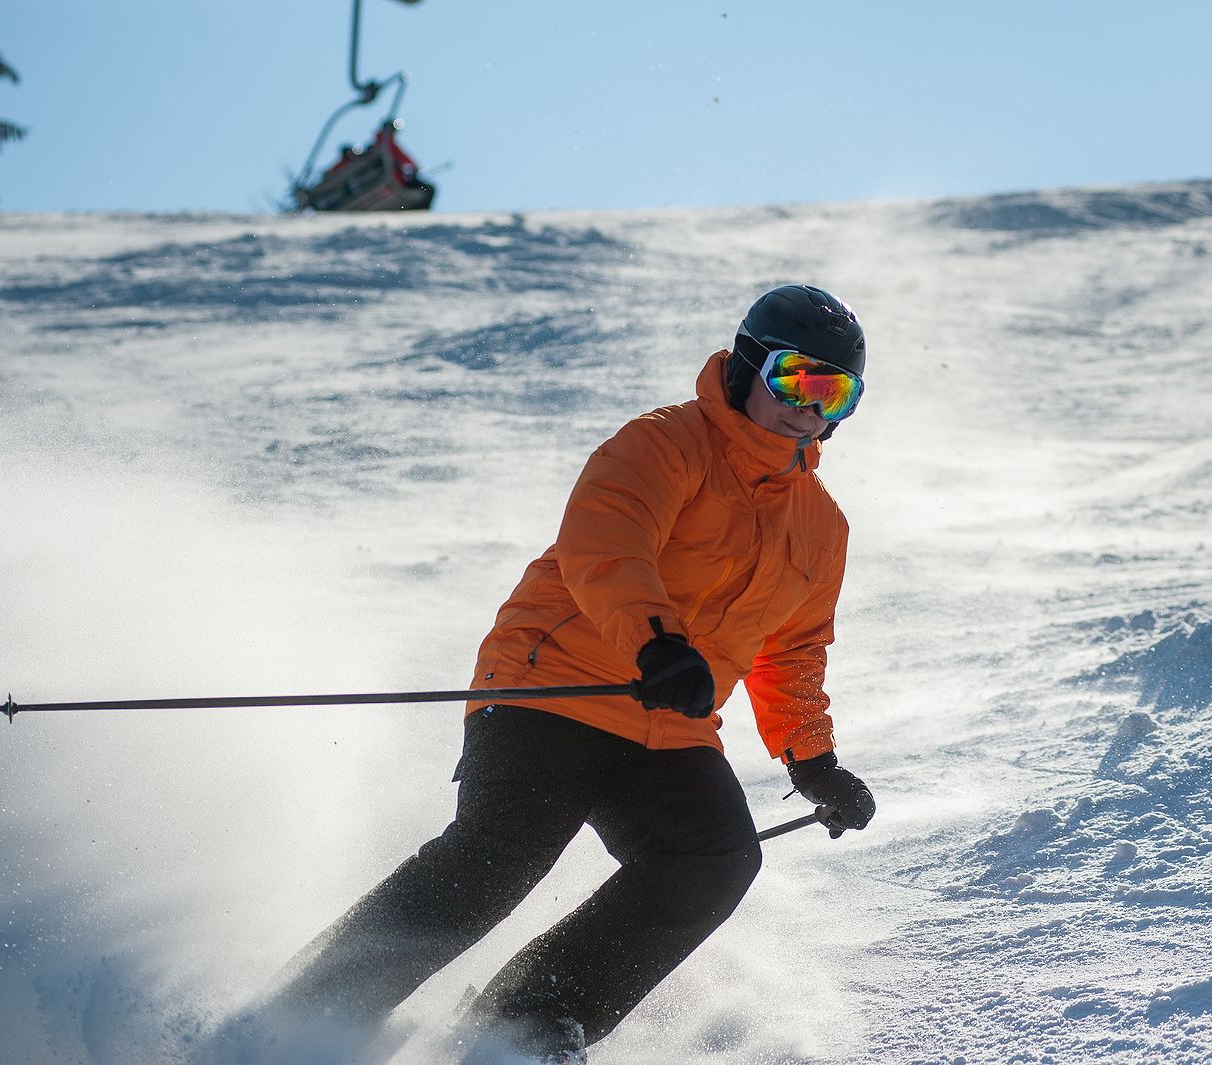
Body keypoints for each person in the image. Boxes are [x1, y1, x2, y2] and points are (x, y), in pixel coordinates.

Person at [261, 285, 877, 1064]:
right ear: (749, 363)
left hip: (671, 722)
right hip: (554, 685)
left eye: (834, 392)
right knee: (497, 860)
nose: (808, 406)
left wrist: (813, 761)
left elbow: (792, 652)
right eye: (794, 378)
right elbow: (606, 544)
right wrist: (656, 642)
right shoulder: (664, 443)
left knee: (716, 857)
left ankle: (524, 1018)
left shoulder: (820, 523)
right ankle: (296, 1018)